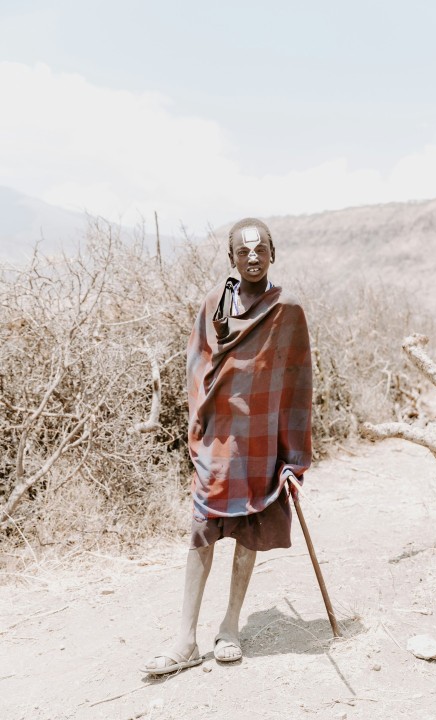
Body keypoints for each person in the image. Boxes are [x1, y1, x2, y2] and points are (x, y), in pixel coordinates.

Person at [143, 217, 312, 674]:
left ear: (272, 253)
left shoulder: (288, 310)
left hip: (261, 442)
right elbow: (197, 367)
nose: (253, 257)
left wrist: (293, 458)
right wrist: (199, 430)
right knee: (201, 530)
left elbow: (297, 387)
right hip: (218, 441)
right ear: (232, 258)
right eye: (243, 251)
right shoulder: (214, 307)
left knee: (251, 528)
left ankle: (231, 625)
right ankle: (184, 640)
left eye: (260, 250)